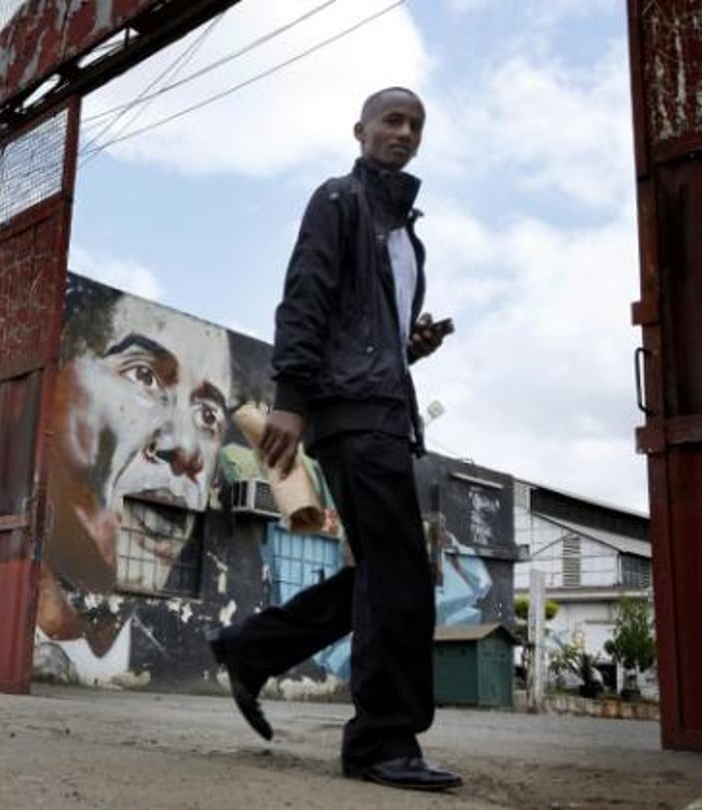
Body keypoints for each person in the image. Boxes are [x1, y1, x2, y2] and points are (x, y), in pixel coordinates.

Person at [207, 87, 463, 792]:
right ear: (360, 130)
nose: (403, 132)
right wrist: (289, 400)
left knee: (384, 571)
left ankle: (250, 648)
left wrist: (409, 345)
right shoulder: (338, 200)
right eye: (391, 119)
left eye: (415, 124)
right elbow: (305, 296)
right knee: (399, 573)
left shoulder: (405, 237)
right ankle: (381, 742)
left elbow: (364, 334)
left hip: (382, 407)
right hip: (351, 414)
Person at [39, 280, 232, 653]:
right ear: (58, 379)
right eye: (144, 376)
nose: (188, 448)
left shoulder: (167, 657)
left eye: (208, 416)